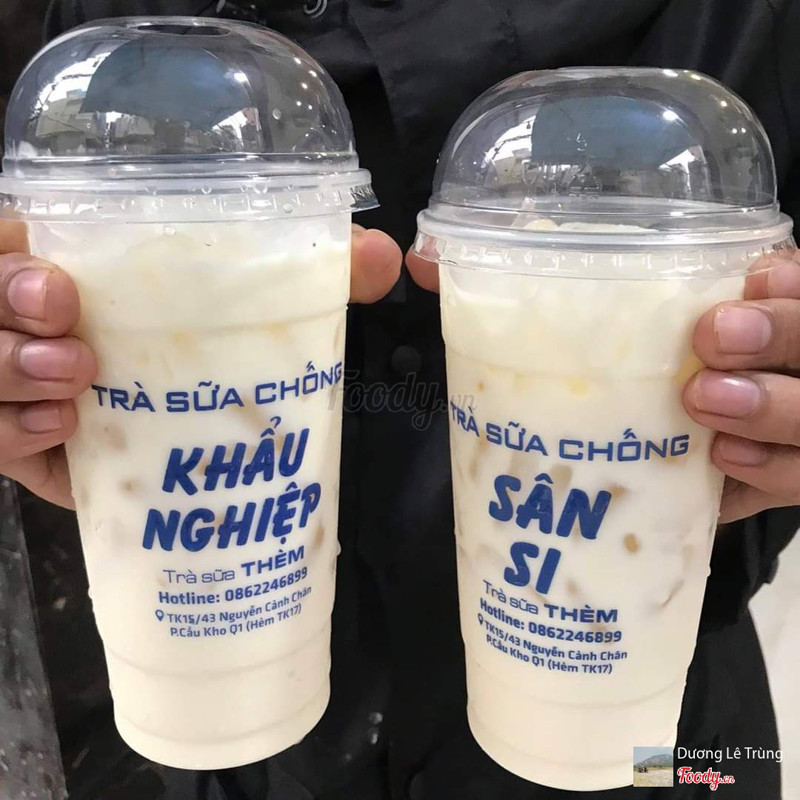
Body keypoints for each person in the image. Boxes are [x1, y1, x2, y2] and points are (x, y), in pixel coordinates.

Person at [2, 0, 799, 797]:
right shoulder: (103, 30)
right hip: (255, 744)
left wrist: (766, 434)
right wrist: (27, 360)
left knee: (662, 766)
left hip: (673, 732)